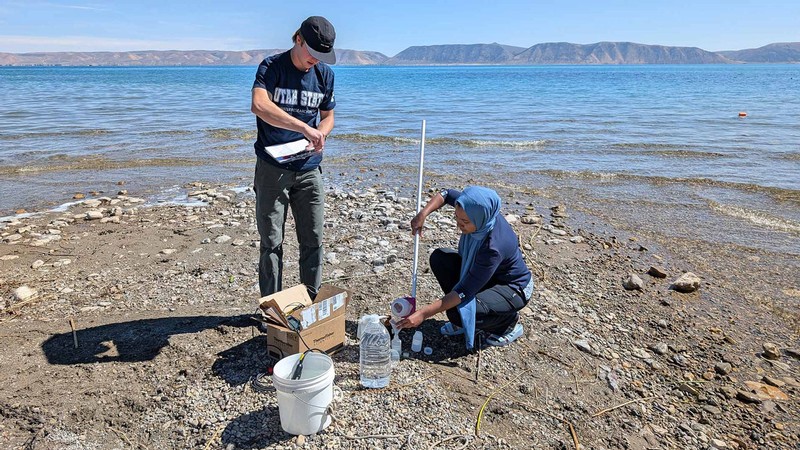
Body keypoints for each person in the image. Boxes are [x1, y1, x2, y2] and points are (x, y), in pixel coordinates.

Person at [250, 16, 337, 298]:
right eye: (312, 52)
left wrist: (321, 133)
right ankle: (271, 308)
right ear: (298, 39)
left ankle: (309, 302)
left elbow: (328, 116)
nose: (316, 59)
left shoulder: (324, 75)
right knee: (272, 242)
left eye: (322, 55)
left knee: (313, 240)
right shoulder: (272, 67)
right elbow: (259, 105)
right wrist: (302, 127)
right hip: (273, 168)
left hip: (310, 169)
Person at [396, 186, 534, 348]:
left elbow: (464, 291)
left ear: (481, 218)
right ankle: (475, 317)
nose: (458, 224)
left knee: (457, 313)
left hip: (512, 288)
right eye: (457, 218)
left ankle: (507, 324)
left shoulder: (493, 247)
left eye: (465, 222)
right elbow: (445, 194)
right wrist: (422, 214)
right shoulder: (476, 208)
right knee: (440, 258)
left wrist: (424, 313)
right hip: (484, 276)